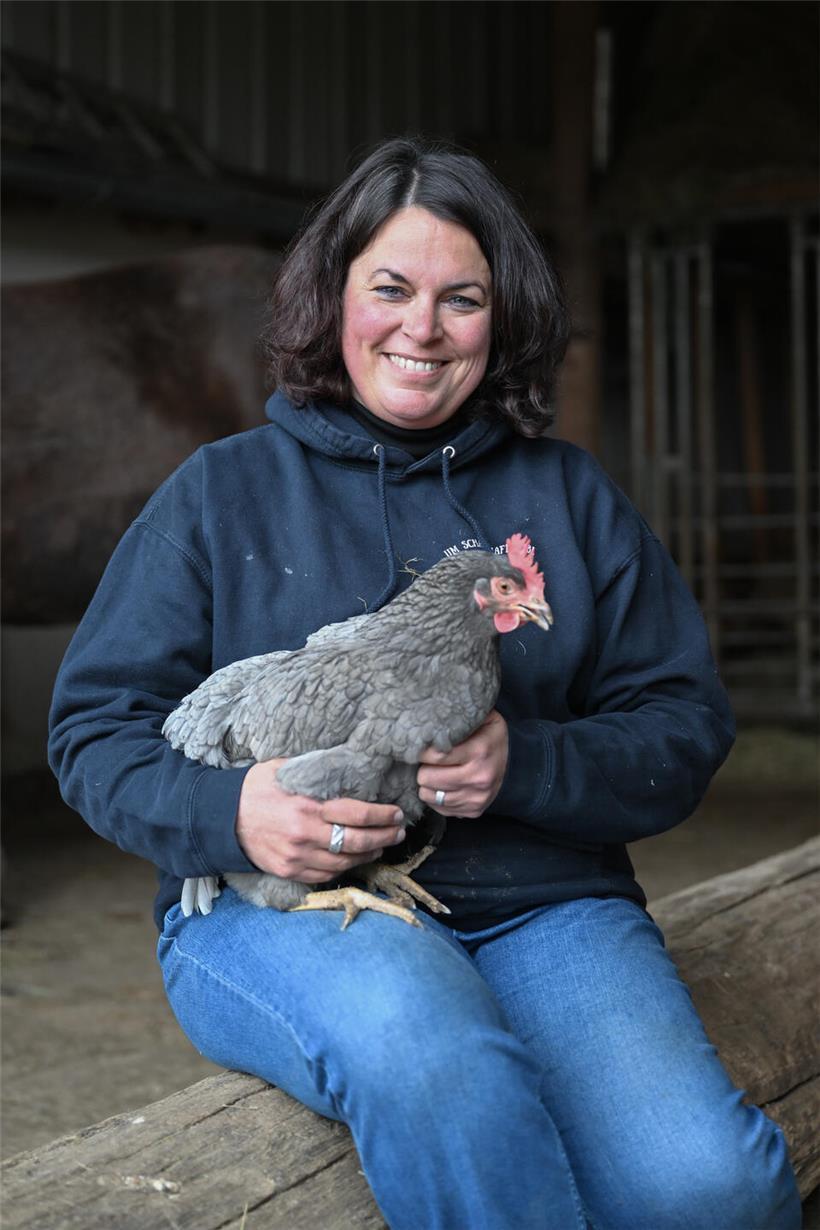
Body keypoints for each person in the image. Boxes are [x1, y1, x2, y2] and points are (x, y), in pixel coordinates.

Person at [48, 137, 800, 1230]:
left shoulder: (568, 496)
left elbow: (684, 724)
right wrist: (233, 813)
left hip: (543, 903)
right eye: (389, 288)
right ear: (331, 297)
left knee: (706, 1188)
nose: (421, 327)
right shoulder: (222, 493)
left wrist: (522, 761)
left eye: (462, 298)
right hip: (278, 908)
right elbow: (91, 730)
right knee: (447, 1074)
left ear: (501, 321)